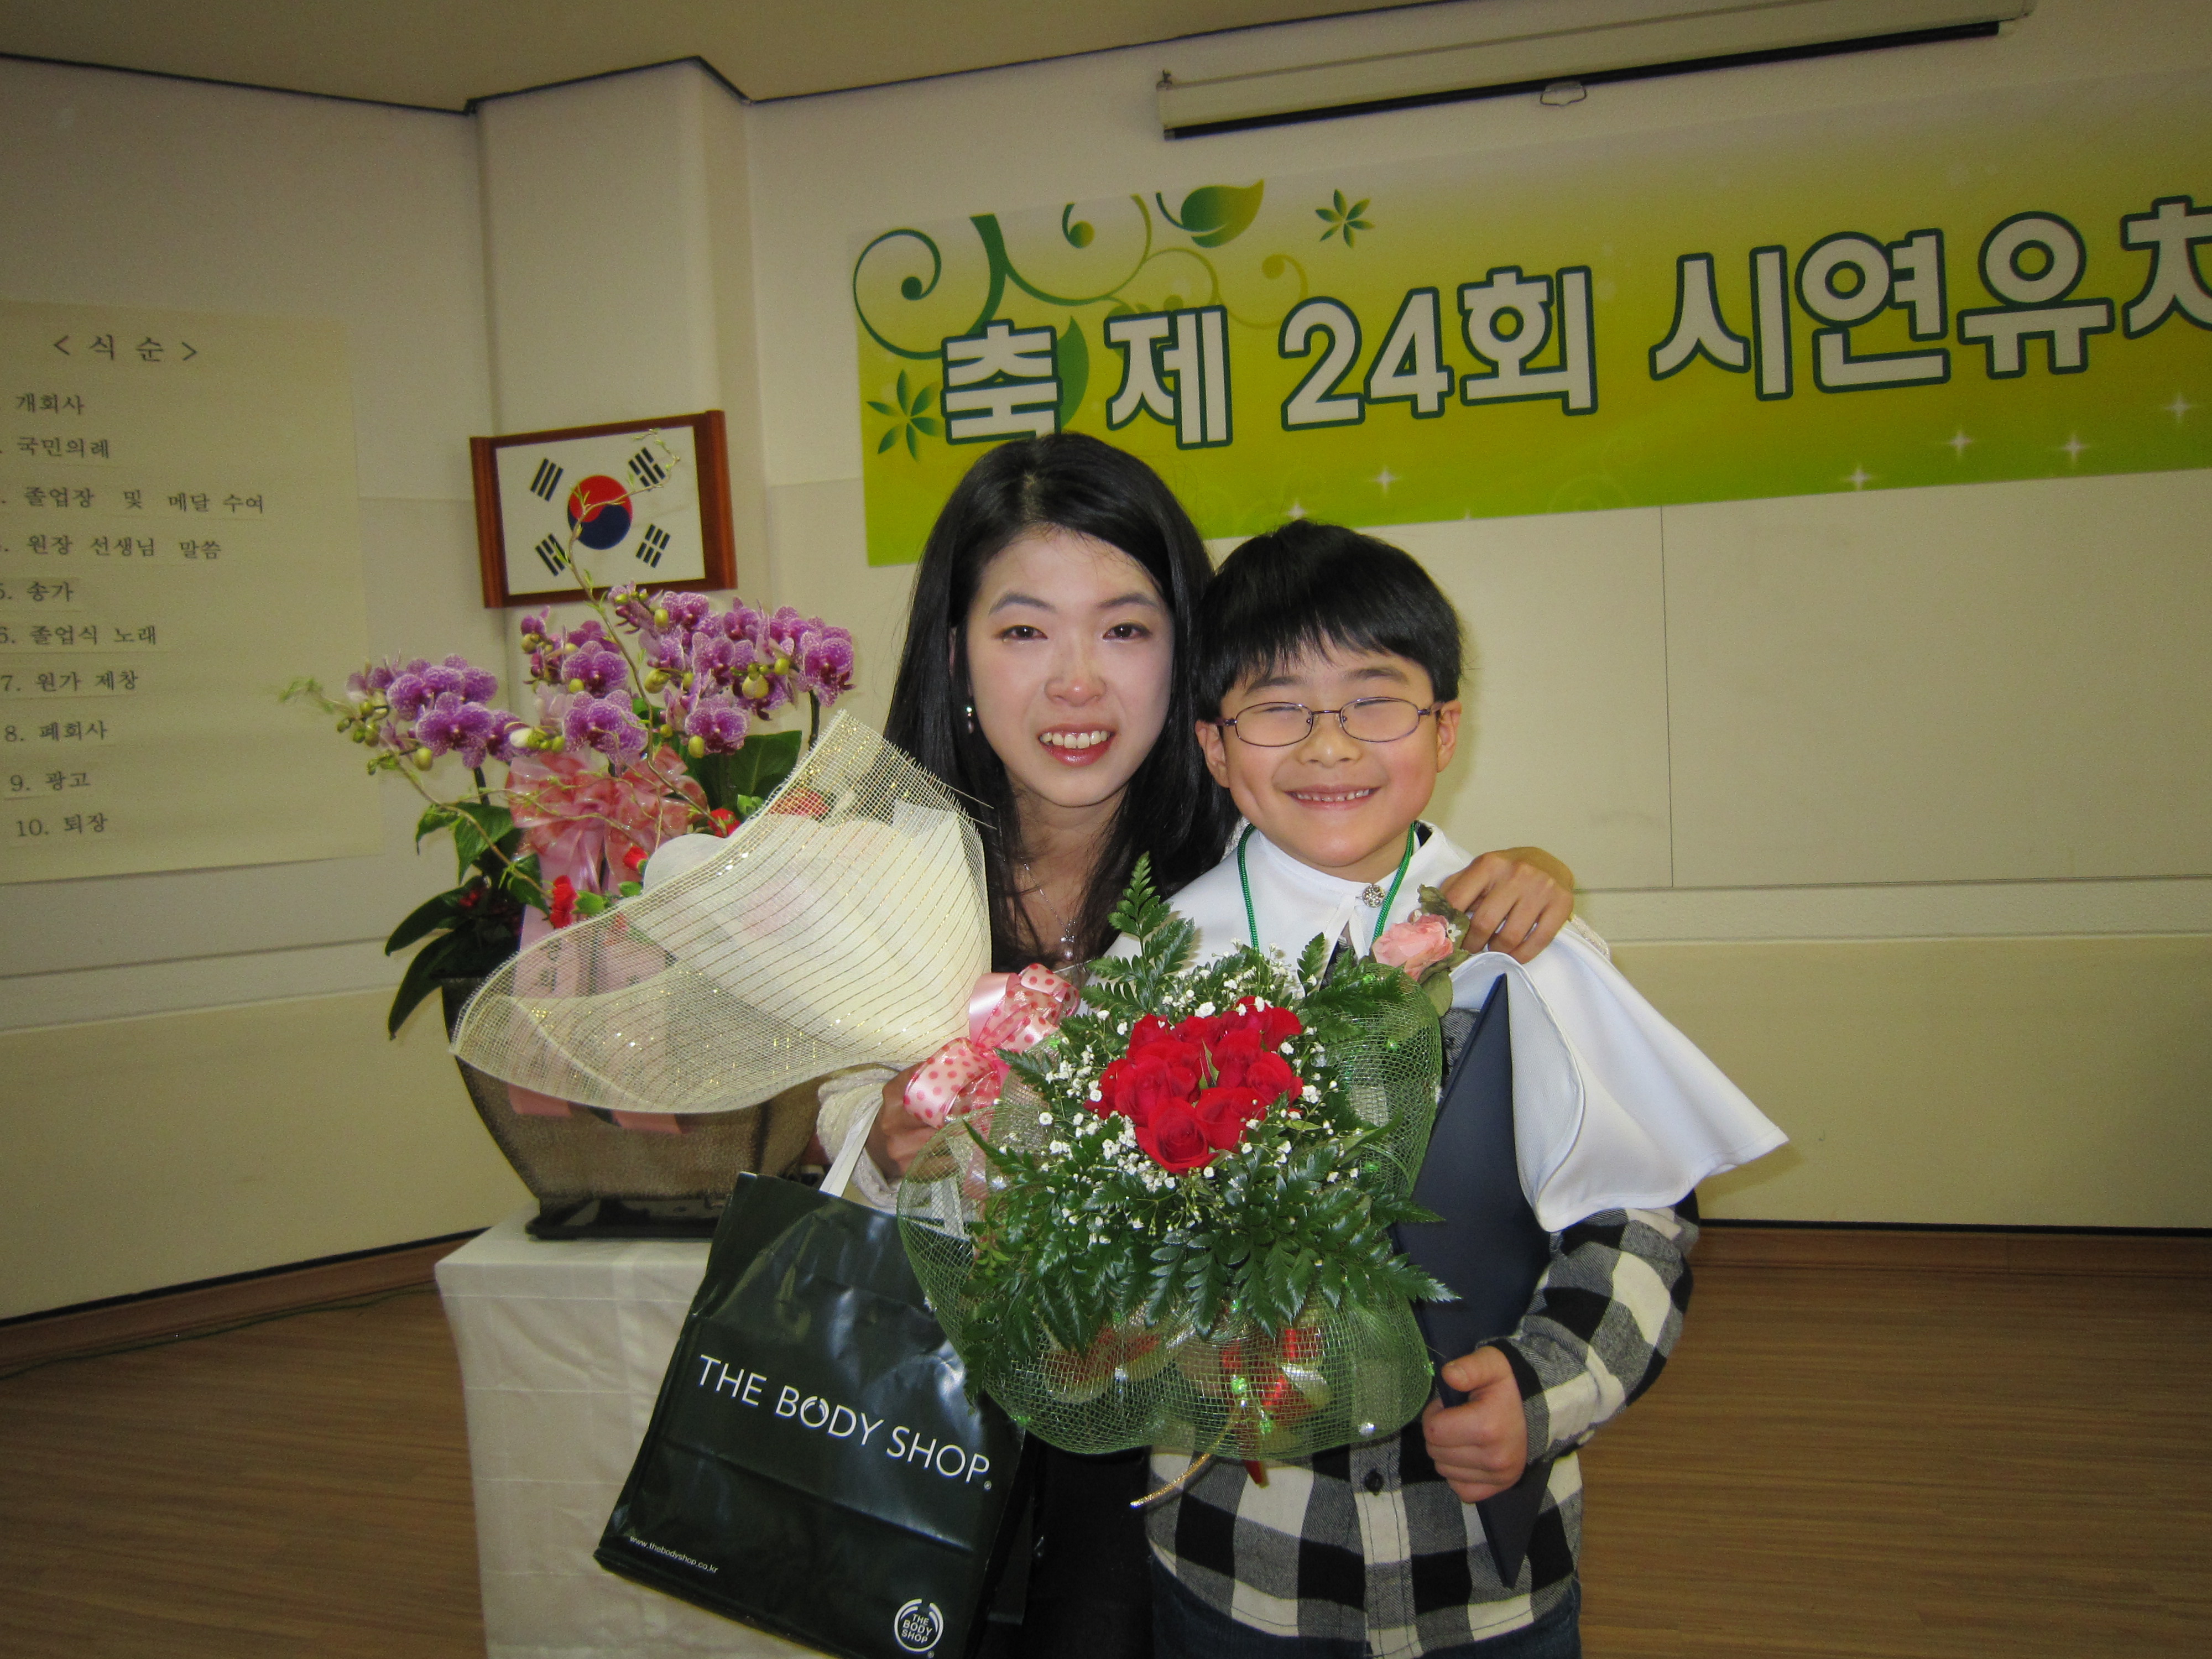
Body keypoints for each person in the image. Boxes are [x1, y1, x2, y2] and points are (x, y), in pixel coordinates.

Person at [807, 435, 1586, 1659]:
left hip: (1190, 1445)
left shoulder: (1257, 862)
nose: (1076, 684)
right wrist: (882, 1138)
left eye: (1125, 629)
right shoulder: (890, 864)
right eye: (1024, 631)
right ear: (956, 654)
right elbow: (841, 1107)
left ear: (1192, 654)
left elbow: (1403, 887)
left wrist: (1528, 880)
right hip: (942, 1406)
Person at [1139, 519, 1783, 1658]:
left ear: (1443, 729)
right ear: (1213, 746)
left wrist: (1545, 1393)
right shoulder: (1156, 968)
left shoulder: (1520, 946)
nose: (1328, 745)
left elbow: (1638, 1218)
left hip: (1486, 1573)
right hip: (1246, 1563)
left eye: (1373, 701)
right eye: (1277, 707)